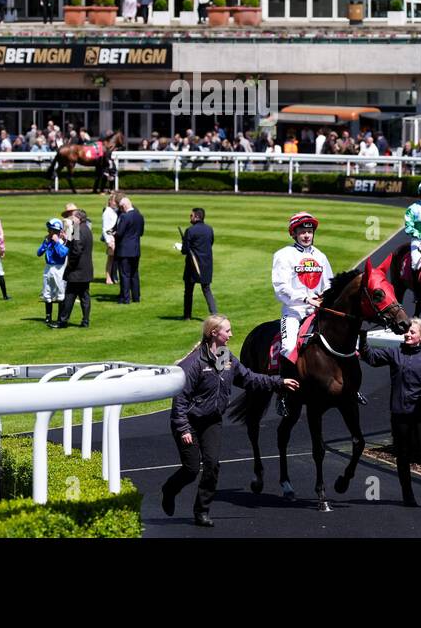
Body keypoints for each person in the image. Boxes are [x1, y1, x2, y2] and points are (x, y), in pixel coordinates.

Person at [162, 315, 296, 527]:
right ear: (214, 333)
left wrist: (279, 382)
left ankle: (202, 512)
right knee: (191, 470)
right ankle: (169, 490)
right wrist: (183, 427)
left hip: (212, 421)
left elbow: (249, 378)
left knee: (213, 466)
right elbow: (180, 399)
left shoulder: (224, 357)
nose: (231, 334)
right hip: (189, 423)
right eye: (228, 331)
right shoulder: (195, 362)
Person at [358, 316, 421, 507]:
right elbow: (370, 357)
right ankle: (407, 493)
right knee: (402, 454)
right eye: (406, 332)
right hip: (400, 412)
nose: (407, 334)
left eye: (412, 332)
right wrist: (362, 338)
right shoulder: (395, 353)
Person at [54, 209, 93, 328]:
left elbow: (76, 250)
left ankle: (62, 321)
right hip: (86, 269)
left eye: (73, 217)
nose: (71, 218)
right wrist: (67, 239)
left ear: (79, 218)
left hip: (76, 270)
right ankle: (85, 320)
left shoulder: (77, 228)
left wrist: (70, 264)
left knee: (70, 295)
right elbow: (76, 245)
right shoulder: (86, 228)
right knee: (84, 296)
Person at [177, 207, 216, 319]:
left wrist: (181, 246)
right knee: (206, 289)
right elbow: (210, 243)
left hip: (193, 265)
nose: (190, 217)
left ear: (197, 216)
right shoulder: (209, 229)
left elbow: (185, 250)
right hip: (207, 264)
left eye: (191, 215)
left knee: (188, 291)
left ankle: (187, 315)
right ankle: (214, 313)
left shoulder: (190, 230)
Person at [37, 218, 69, 325]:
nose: (48, 232)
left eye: (50, 230)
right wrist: (45, 243)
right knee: (47, 292)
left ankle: (60, 317)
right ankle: (48, 317)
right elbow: (39, 253)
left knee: (60, 294)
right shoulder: (47, 240)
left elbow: (63, 253)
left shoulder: (62, 241)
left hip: (59, 269)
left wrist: (56, 242)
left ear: (56, 231)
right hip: (48, 268)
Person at [114, 195, 145, 304]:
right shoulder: (140, 216)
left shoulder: (125, 217)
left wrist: (114, 234)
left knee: (124, 274)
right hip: (135, 249)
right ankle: (136, 297)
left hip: (124, 250)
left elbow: (119, 233)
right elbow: (141, 233)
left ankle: (125, 298)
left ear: (123, 206)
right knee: (134, 274)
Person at [102, 192, 121, 285]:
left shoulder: (114, 210)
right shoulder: (107, 211)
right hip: (110, 238)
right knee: (110, 259)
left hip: (114, 237)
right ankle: (108, 277)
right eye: (113, 201)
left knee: (114, 259)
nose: (115, 203)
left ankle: (113, 276)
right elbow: (105, 228)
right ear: (109, 201)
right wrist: (108, 241)